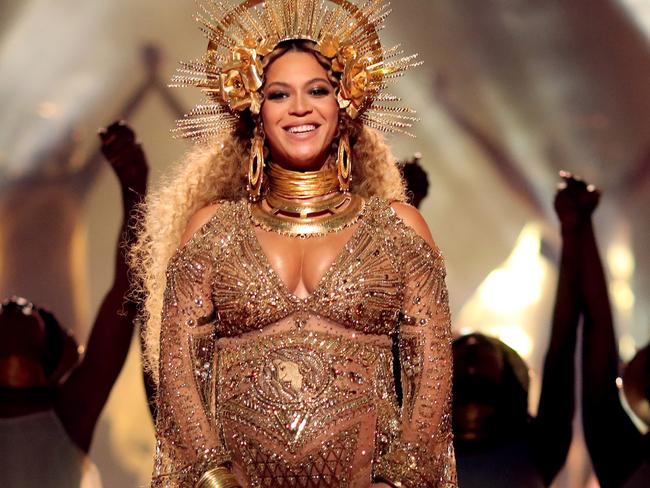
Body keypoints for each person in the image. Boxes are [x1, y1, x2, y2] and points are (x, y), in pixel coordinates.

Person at [131, 1, 456, 487]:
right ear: (256, 112)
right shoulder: (214, 230)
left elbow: (432, 378)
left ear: (344, 105)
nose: (299, 108)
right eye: (279, 94)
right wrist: (212, 479)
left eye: (317, 90)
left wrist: (398, 483)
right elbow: (180, 374)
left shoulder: (397, 229)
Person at [0, 121, 148, 487]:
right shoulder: (68, 419)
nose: (17, 301)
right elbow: (122, 295)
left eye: (27, 309)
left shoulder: (66, 421)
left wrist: (135, 188)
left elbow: (123, 296)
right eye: (25, 308)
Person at [451, 172, 583, 487]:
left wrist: (577, 232)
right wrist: (577, 232)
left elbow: (562, 351)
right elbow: (562, 349)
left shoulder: (536, 446)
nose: (471, 357)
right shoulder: (418, 445)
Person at [563, 174, 650, 488]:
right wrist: (581, 230)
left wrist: (580, 231)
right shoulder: (627, 458)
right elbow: (598, 342)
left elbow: (597, 341)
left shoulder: (626, 459)